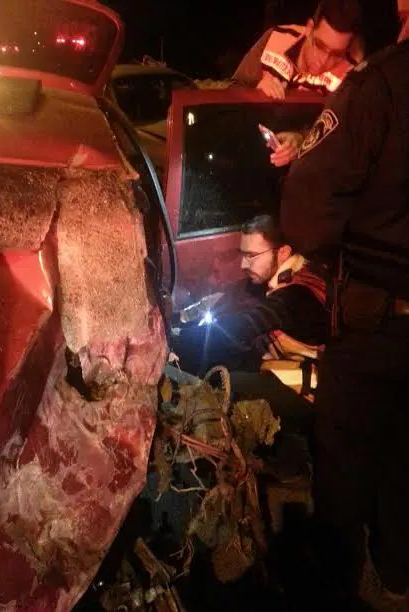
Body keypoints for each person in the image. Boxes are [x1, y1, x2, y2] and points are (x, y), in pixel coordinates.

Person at [280, 0, 409, 604]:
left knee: (346, 467)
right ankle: (396, 578)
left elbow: (309, 216)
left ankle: (339, 589)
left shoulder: (379, 84)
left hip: (376, 326)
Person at [173, 214, 329, 385]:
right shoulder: (273, 278)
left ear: (283, 252)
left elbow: (245, 325)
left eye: (251, 256)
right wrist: (180, 319)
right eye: (242, 255)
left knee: (228, 381)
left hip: (303, 386)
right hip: (274, 366)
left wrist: (178, 341)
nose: (243, 265)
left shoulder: (297, 294)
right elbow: (228, 298)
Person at [232, 0, 362, 168]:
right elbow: (232, 90)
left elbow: (340, 136)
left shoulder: (350, 74)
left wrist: (301, 138)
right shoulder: (276, 37)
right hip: (245, 149)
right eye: (319, 46)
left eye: (336, 55)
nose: (323, 61)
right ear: (309, 27)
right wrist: (256, 89)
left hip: (298, 169)